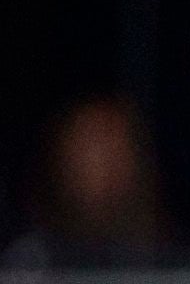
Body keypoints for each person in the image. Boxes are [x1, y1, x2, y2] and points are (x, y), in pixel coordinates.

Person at [4, 98, 176, 271]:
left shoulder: (167, 256)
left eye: (117, 148)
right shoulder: (31, 263)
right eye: (92, 149)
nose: (107, 163)